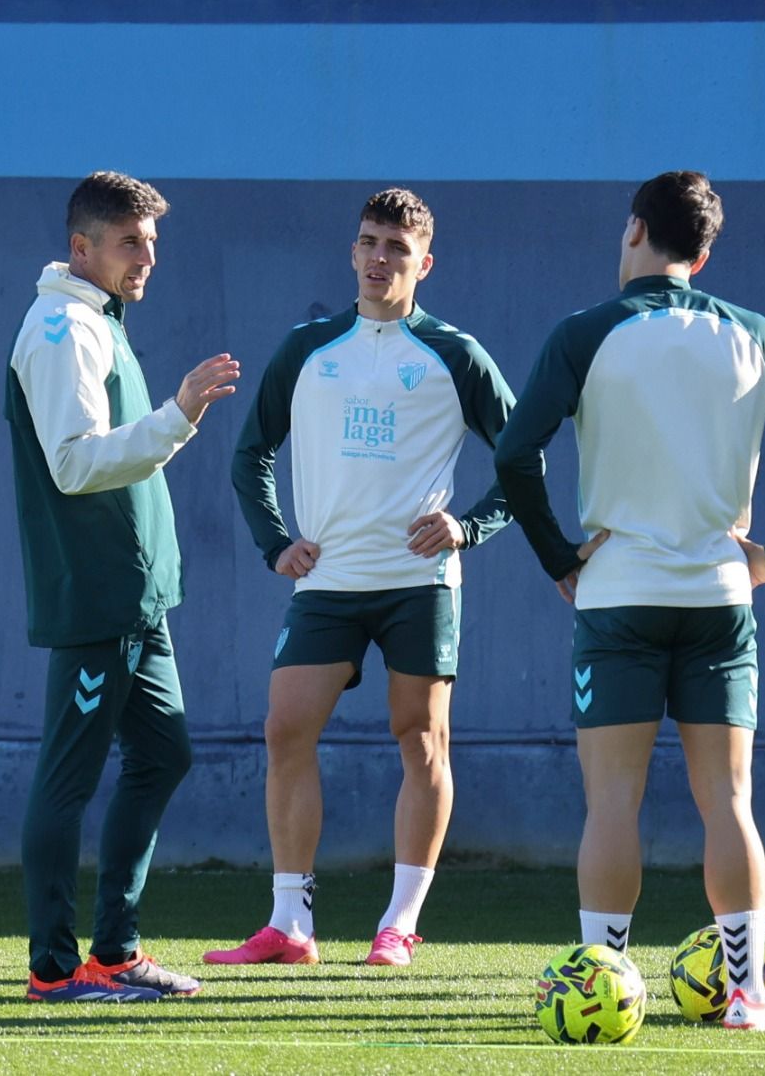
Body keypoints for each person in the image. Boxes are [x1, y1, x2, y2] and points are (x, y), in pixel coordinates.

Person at [493, 171, 765, 1031]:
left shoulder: (586, 332)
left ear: (634, 229)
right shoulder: (754, 333)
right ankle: (749, 994)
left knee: (611, 802)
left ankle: (603, 986)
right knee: (729, 800)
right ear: (704, 251)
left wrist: (558, 556)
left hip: (617, 594)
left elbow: (513, 454)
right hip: (720, 598)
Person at [209, 188, 514, 969]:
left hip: (420, 581)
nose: (381, 258)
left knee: (421, 738)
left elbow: (524, 458)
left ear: (424, 263)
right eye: (370, 242)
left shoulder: (455, 353)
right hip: (329, 579)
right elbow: (251, 453)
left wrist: (469, 525)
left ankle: (399, 923)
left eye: (397, 248)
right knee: (285, 727)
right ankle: (290, 923)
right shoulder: (308, 348)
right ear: (352, 251)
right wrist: (275, 542)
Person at [7, 171, 241, 1001]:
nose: (148, 257)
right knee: (66, 779)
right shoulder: (63, 327)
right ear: (82, 247)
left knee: (164, 753)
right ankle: (52, 968)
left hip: (138, 597)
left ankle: (116, 951)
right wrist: (179, 413)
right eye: (130, 242)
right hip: (97, 592)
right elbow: (73, 464)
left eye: (152, 241)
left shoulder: (99, 318)